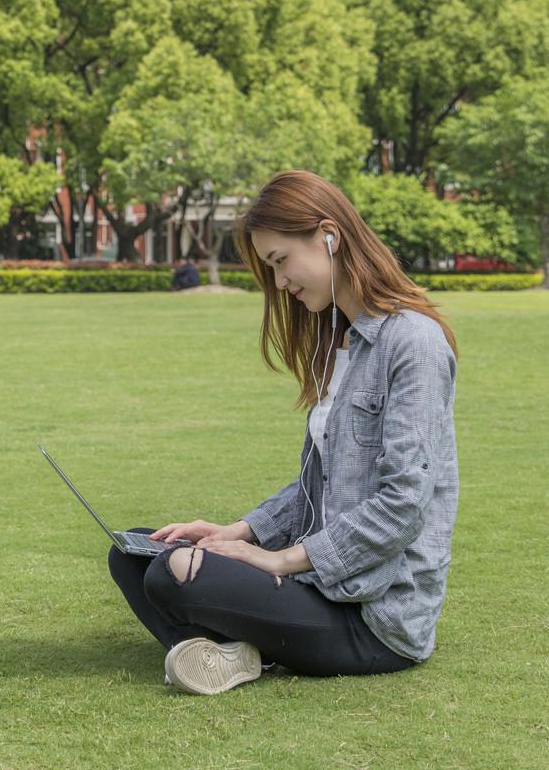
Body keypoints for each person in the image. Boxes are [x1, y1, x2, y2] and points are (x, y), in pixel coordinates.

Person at [107, 169, 459, 694]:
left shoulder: (414, 342)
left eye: (280, 261)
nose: (279, 283)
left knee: (171, 572)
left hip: (374, 618)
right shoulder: (335, 345)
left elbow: (403, 503)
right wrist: (238, 532)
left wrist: (277, 560)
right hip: (314, 584)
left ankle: (246, 649)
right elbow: (319, 484)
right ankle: (245, 653)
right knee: (136, 553)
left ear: (328, 236)